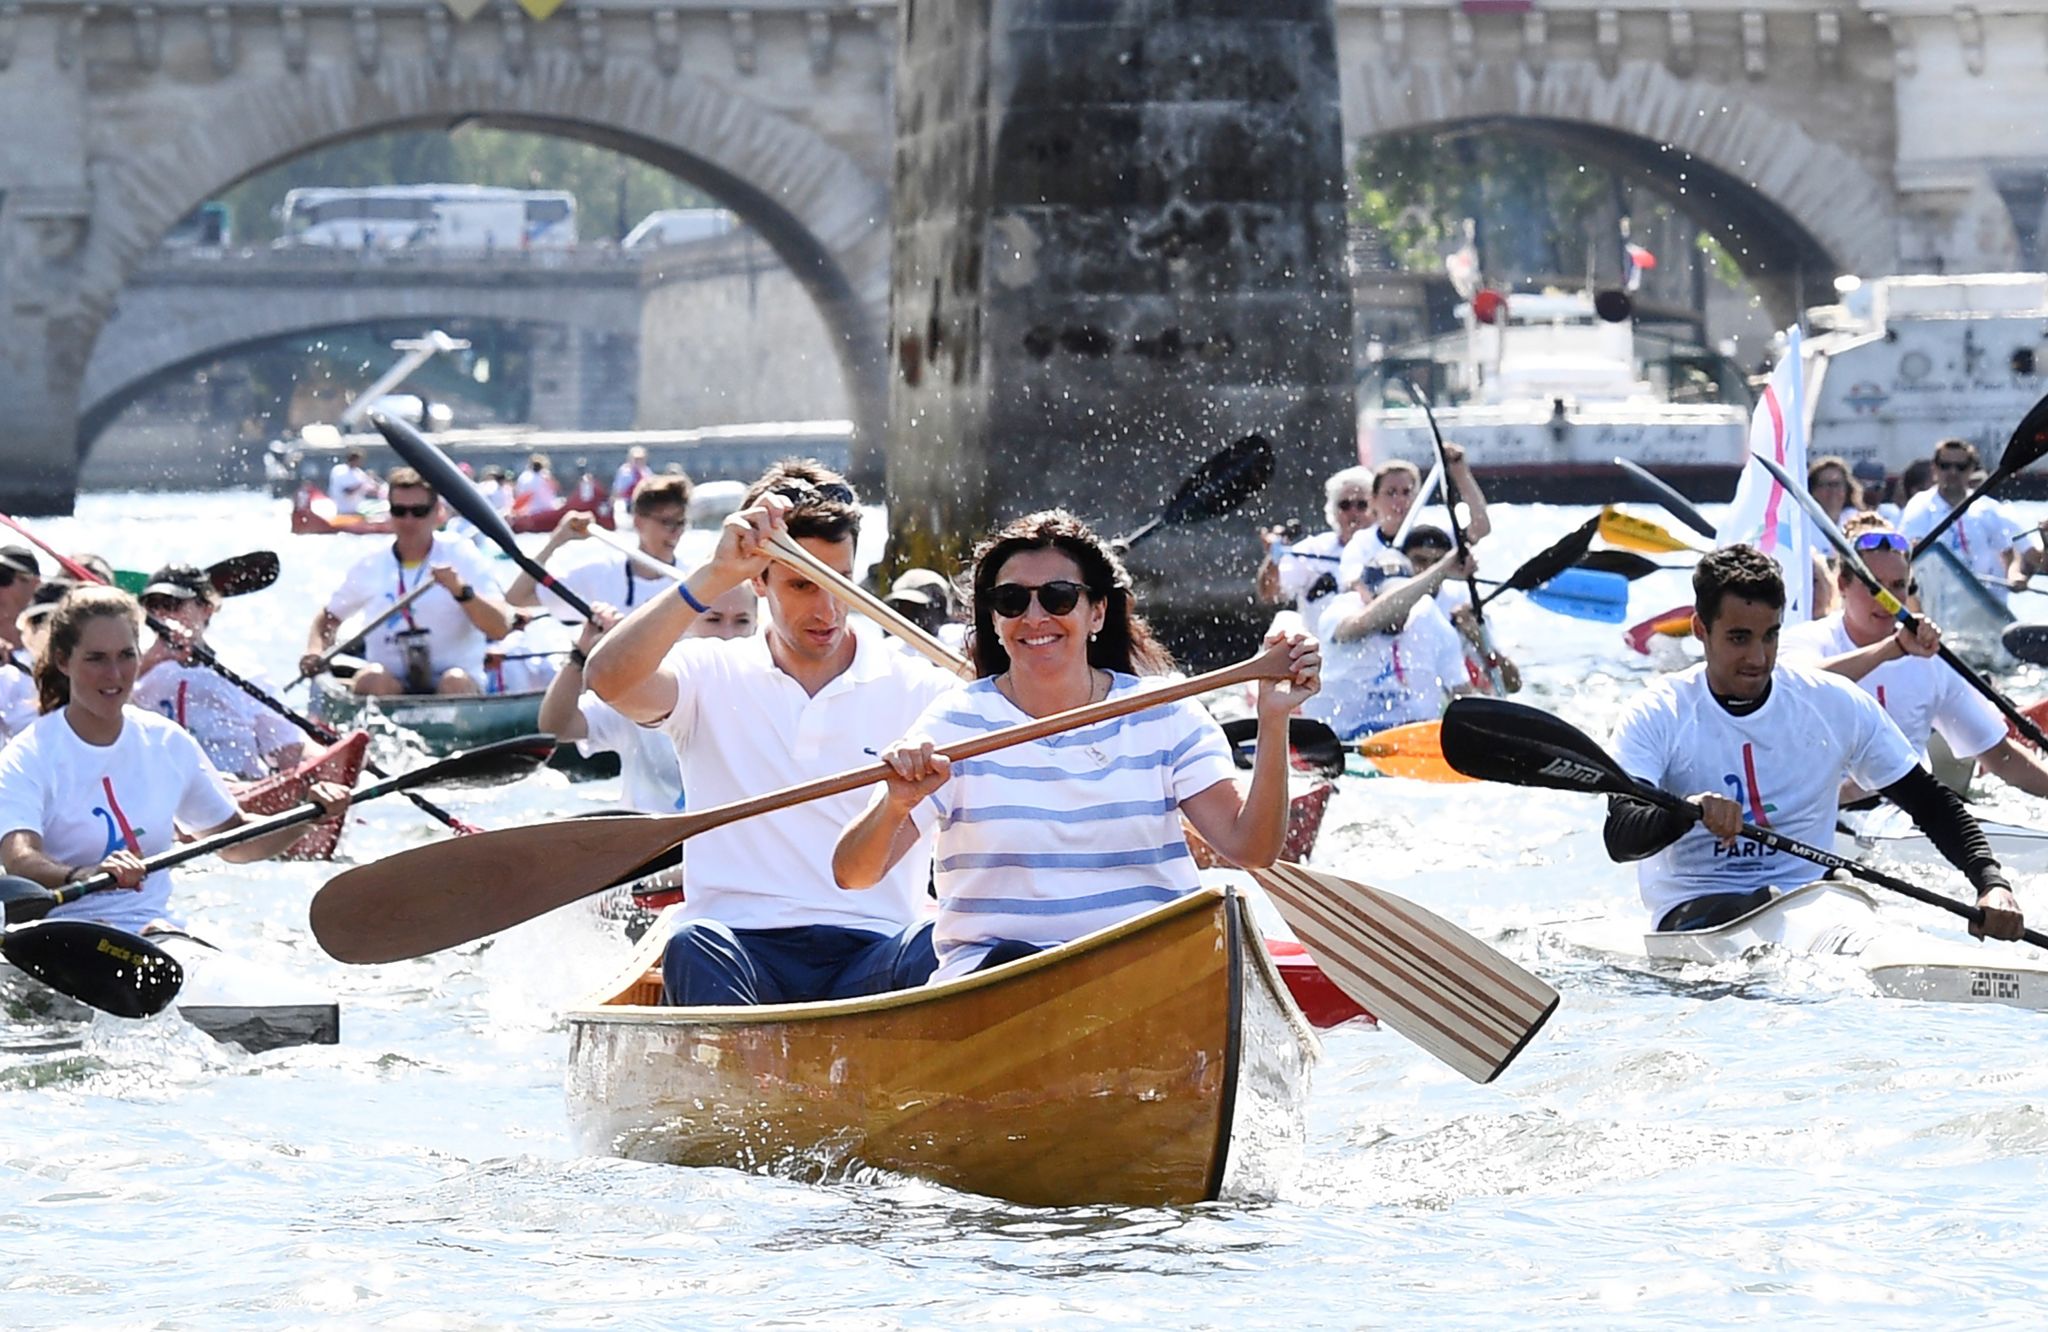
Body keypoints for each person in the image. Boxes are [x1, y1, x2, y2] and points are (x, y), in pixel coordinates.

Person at [833, 510, 1321, 980]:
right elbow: (854, 874)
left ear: (1097, 613)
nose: (1035, 616)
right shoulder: (954, 723)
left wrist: (1273, 719)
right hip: (1000, 982)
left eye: (1059, 597)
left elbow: (1251, 849)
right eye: (1012, 600)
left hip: (1150, 973)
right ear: (996, 620)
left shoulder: (1166, 710)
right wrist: (896, 805)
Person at [585, 460, 957, 1006]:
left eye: (840, 582)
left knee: (943, 942)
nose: (828, 609)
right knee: (693, 941)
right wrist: (712, 576)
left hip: (873, 952)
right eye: (803, 584)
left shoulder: (925, 689)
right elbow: (608, 680)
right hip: (736, 948)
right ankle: (747, 1084)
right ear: (757, 579)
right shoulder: (707, 672)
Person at [1604, 545, 2022, 938]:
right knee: (1779, 908)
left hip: (1815, 902)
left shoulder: (1831, 701)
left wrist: (1991, 881)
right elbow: (1620, 837)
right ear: (1701, 629)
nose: (1758, 658)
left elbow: (1930, 803)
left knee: (1848, 902)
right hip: (1697, 909)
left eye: (1770, 635)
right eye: (1738, 637)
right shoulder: (1657, 713)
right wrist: (1686, 811)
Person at [0, 587, 351, 936]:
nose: (115, 673)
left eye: (126, 655)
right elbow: (19, 859)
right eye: (96, 658)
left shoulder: (166, 741)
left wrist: (307, 815)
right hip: (60, 933)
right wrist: (82, 875)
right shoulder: (28, 756)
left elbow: (234, 840)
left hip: (154, 931)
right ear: (64, 661)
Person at [1783, 516, 2048, 798]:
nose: (1886, 598)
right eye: (1875, 585)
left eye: (1897, 585)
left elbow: (2000, 756)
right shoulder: (1807, 640)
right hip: (1827, 812)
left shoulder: (1930, 659)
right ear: (1843, 584)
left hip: (1908, 816)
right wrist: (1891, 649)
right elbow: (1799, 686)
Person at [300, 467, 513, 696]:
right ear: (389, 513)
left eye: (419, 511)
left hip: (456, 685)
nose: (409, 520)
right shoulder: (372, 564)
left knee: (454, 682)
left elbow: (500, 627)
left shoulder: (462, 554)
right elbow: (328, 618)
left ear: (438, 513)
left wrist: (460, 591)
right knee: (372, 679)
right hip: (391, 686)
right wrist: (314, 651)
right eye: (400, 511)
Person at [131, 565, 302, 781]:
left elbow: (288, 748)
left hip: (236, 784)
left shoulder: (245, 672)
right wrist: (153, 659)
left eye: (172, 604)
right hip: (164, 787)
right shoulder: (132, 669)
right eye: (153, 606)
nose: (162, 614)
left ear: (207, 608)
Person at [1301, 545, 1479, 740]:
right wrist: (1442, 569)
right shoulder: (1340, 610)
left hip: (1411, 744)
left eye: (1406, 603)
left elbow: (1462, 694)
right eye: (1383, 597)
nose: (1399, 612)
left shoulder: (1431, 619)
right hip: (1341, 741)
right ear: (1363, 593)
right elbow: (1363, 623)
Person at [507, 474, 690, 627]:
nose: (677, 532)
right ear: (638, 522)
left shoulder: (693, 580)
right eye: (667, 522)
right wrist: (556, 541)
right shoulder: (601, 574)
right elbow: (516, 598)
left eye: (681, 522)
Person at [1337, 446, 1492, 594]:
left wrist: (1460, 471)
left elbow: (1480, 528)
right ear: (1374, 500)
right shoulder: (1361, 544)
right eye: (1391, 493)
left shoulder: (1436, 536)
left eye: (1406, 492)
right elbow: (1353, 584)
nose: (1400, 500)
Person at [1394, 524, 1521, 693]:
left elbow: (1512, 684)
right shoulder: (1388, 598)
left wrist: (1478, 638)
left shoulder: (1461, 601)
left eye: (1438, 562)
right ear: (1404, 562)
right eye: (1420, 561)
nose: (1429, 570)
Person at [1899, 439, 2021, 601]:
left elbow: (2008, 553)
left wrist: (2015, 574)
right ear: (1934, 468)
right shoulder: (1920, 505)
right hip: (1937, 607)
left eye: (1960, 467)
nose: (1953, 472)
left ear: (1971, 469)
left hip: (1987, 609)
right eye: (1945, 466)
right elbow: (1907, 550)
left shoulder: (1988, 508)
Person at [1255, 466, 1375, 612]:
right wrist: (1273, 557)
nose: (1353, 512)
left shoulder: (1388, 548)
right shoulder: (1313, 549)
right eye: (1345, 505)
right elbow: (1269, 594)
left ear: (1375, 508)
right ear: (1334, 511)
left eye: (1362, 505)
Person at [884, 567, 965, 651]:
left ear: (940, 607)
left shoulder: (960, 639)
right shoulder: (889, 649)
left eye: (917, 608)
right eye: (904, 608)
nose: (910, 615)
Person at [1807, 456, 1862, 533]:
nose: (1833, 490)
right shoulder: (1805, 525)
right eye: (1826, 484)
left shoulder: (1859, 522)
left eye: (1837, 484)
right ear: (1813, 491)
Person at [328, 449, 381, 516]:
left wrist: (375, 483)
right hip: (342, 511)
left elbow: (371, 491)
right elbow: (347, 491)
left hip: (357, 511)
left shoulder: (359, 472)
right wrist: (362, 482)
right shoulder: (340, 470)